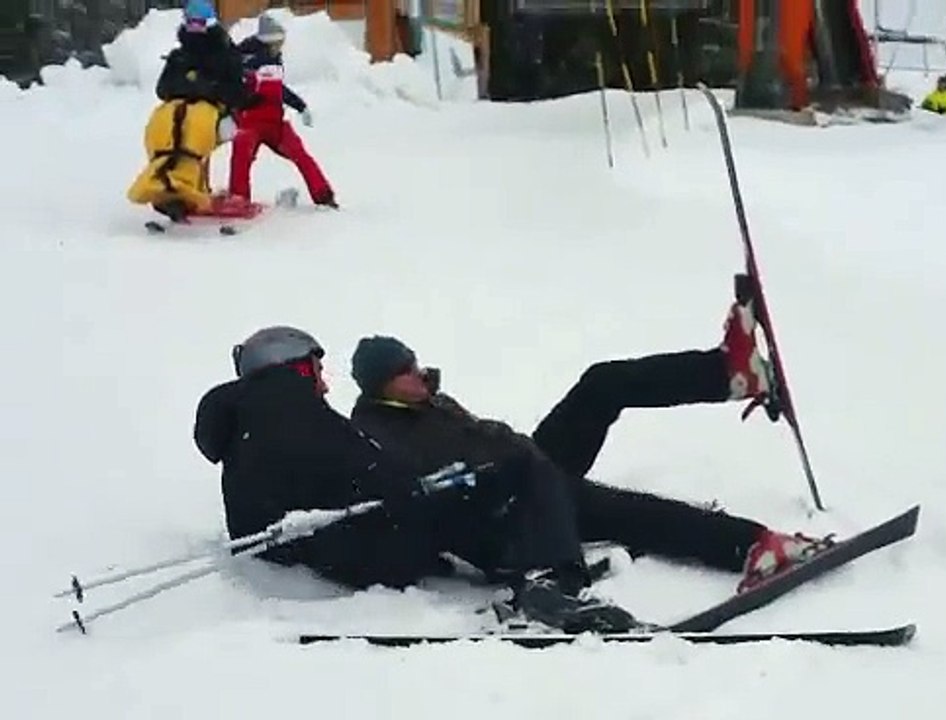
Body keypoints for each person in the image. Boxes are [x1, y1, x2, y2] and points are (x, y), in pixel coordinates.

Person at [348, 275, 827, 595]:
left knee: (601, 383)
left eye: (412, 362)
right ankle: (753, 545)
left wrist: (525, 457)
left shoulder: (422, 399)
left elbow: (488, 446)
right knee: (627, 510)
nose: (417, 374)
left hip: (526, 471)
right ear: (381, 387)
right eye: (404, 372)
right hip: (511, 516)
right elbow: (457, 477)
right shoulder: (382, 431)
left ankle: (730, 374)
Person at [193, 325, 640, 633]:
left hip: (337, 549)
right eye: (317, 370)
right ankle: (548, 579)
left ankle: (533, 560)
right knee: (518, 463)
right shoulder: (286, 405)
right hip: (365, 553)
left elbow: (328, 472)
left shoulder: (247, 426)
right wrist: (410, 484)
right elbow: (363, 464)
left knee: (499, 476)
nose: (325, 386)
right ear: (293, 367)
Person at [127, 0, 258, 223]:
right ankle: (165, 180)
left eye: (199, 24)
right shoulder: (180, 56)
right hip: (179, 106)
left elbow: (236, 89)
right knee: (163, 123)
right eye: (191, 24)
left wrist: (209, 89)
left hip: (217, 111)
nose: (194, 30)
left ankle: (187, 185)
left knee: (194, 130)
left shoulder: (225, 54)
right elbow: (163, 88)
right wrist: (190, 86)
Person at [228, 13, 337, 209]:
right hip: (250, 122)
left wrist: (300, 105)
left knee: (300, 154)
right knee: (242, 153)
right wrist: (241, 103)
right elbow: (233, 88)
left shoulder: (274, 58)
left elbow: (279, 89)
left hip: (275, 123)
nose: (281, 46)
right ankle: (238, 198)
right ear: (268, 40)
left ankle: (323, 195)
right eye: (279, 41)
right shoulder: (245, 59)